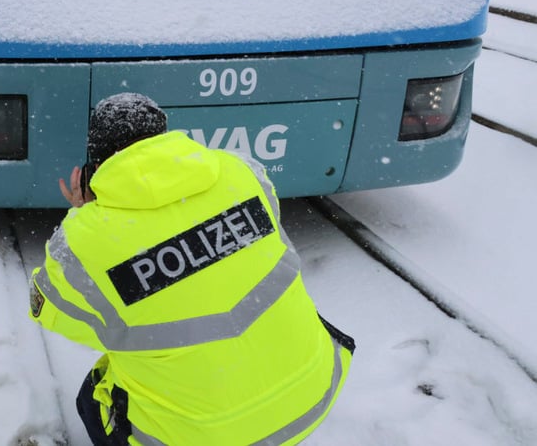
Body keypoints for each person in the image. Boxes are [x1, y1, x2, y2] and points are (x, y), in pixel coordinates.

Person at [30, 93, 354, 445]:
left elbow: (51, 313)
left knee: (92, 396)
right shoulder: (242, 171)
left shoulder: (80, 242)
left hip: (197, 438)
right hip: (312, 396)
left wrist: (82, 217)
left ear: (95, 162)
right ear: (165, 133)